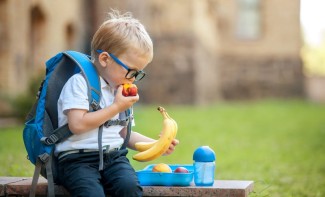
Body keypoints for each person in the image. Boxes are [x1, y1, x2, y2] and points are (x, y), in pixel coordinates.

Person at [55, 10, 179, 197]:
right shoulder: (80, 83)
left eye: (138, 73)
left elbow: (124, 134)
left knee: (129, 188)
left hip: (113, 158)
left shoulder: (119, 90)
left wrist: (157, 145)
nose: (133, 79)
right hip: (77, 160)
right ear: (105, 59)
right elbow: (77, 124)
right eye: (131, 71)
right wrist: (116, 107)